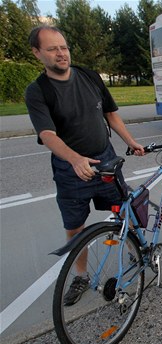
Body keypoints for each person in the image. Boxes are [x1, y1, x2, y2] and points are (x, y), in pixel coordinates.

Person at [25, 25, 145, 306]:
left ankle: (135, 251)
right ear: (37, 53)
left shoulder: (90, 77)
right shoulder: (38, 91)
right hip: (70, 170)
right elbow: (47, 134)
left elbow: (111, 114)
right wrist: (74, 158)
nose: (61, 53)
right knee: (74, 228)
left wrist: (131, 140)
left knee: (126, 209)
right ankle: (80, 276)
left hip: (105, 160)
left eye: (63, 47)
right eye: (52, 49)